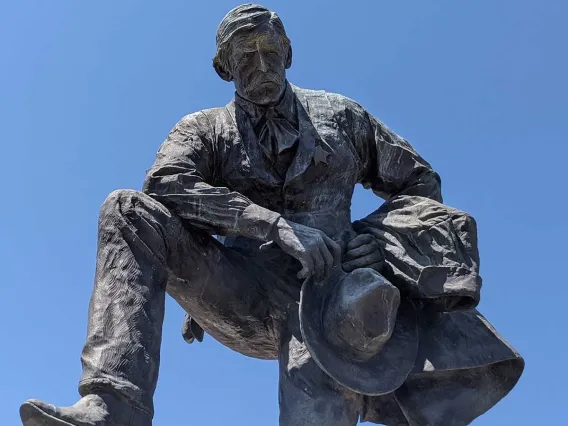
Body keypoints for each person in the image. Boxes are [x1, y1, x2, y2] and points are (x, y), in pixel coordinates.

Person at [20, 4, 523, 426]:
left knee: (315, 405)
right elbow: (166, 184)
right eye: (244, 58)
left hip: (329, 292)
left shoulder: (342, 116)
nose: (261, 67)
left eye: (269, 53)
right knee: (126, 210)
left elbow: (421, 183)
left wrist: (382, 240)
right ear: (224, 68)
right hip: (241, 287)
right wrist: (273, 226)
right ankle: (114, 404)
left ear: (288, 53)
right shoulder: (205, 128)